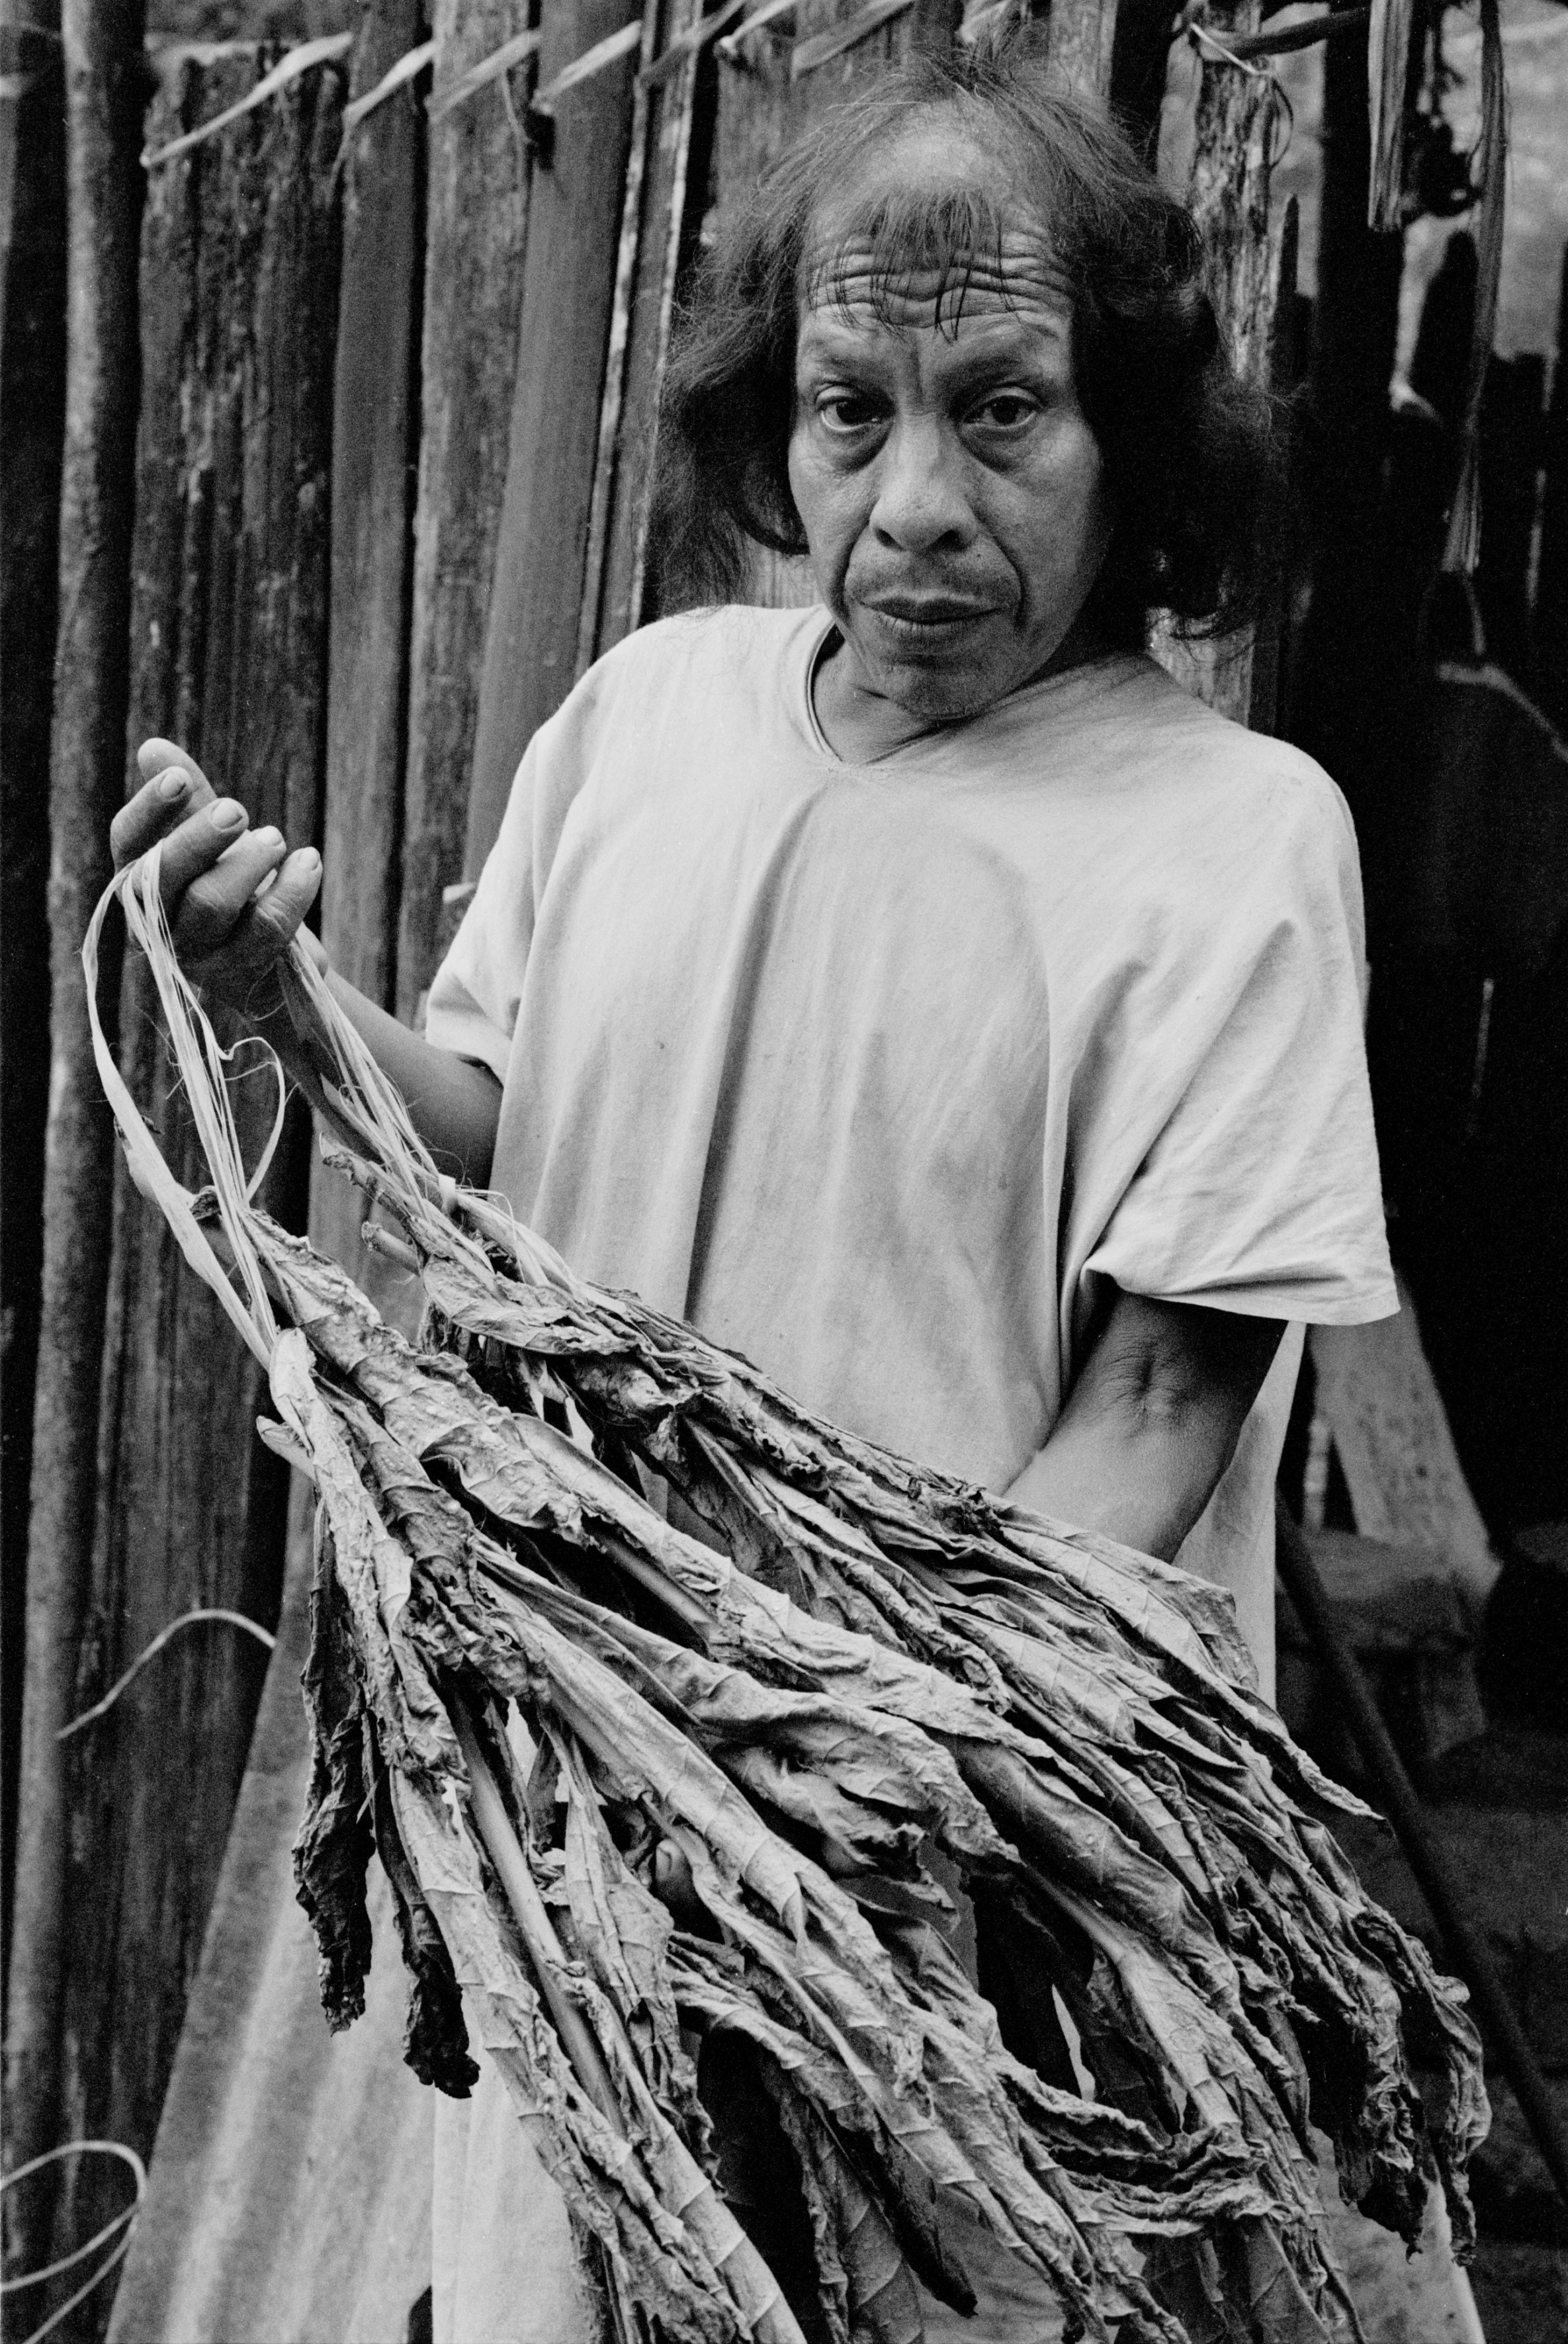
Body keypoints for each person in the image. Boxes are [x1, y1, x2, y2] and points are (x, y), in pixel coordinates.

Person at [111, 34, 1447, 2344]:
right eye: (854, 410)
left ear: (1133, 441)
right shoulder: (647, 717)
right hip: (594, 1806)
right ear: (777, 430)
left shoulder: (1230, 845)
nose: (917, 497)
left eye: (1001, 410)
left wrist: (852, 1774)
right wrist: (283, 1005)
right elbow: (504, 1132)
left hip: (954, 1852)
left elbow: (1155, 1412)